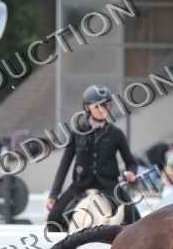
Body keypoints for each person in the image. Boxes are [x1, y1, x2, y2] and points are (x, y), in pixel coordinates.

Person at [46, 85, 140, 234]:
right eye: (97, 106)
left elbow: (131, 162)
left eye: (106, 105)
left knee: (134, 217)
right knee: (53, 218)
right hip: (79, 187)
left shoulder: (116, 133)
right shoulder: (77, 133)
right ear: (87, 107)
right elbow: (64, 166)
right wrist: (53, 195)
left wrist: (131, 172)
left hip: (109, 186)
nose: (102, 110)